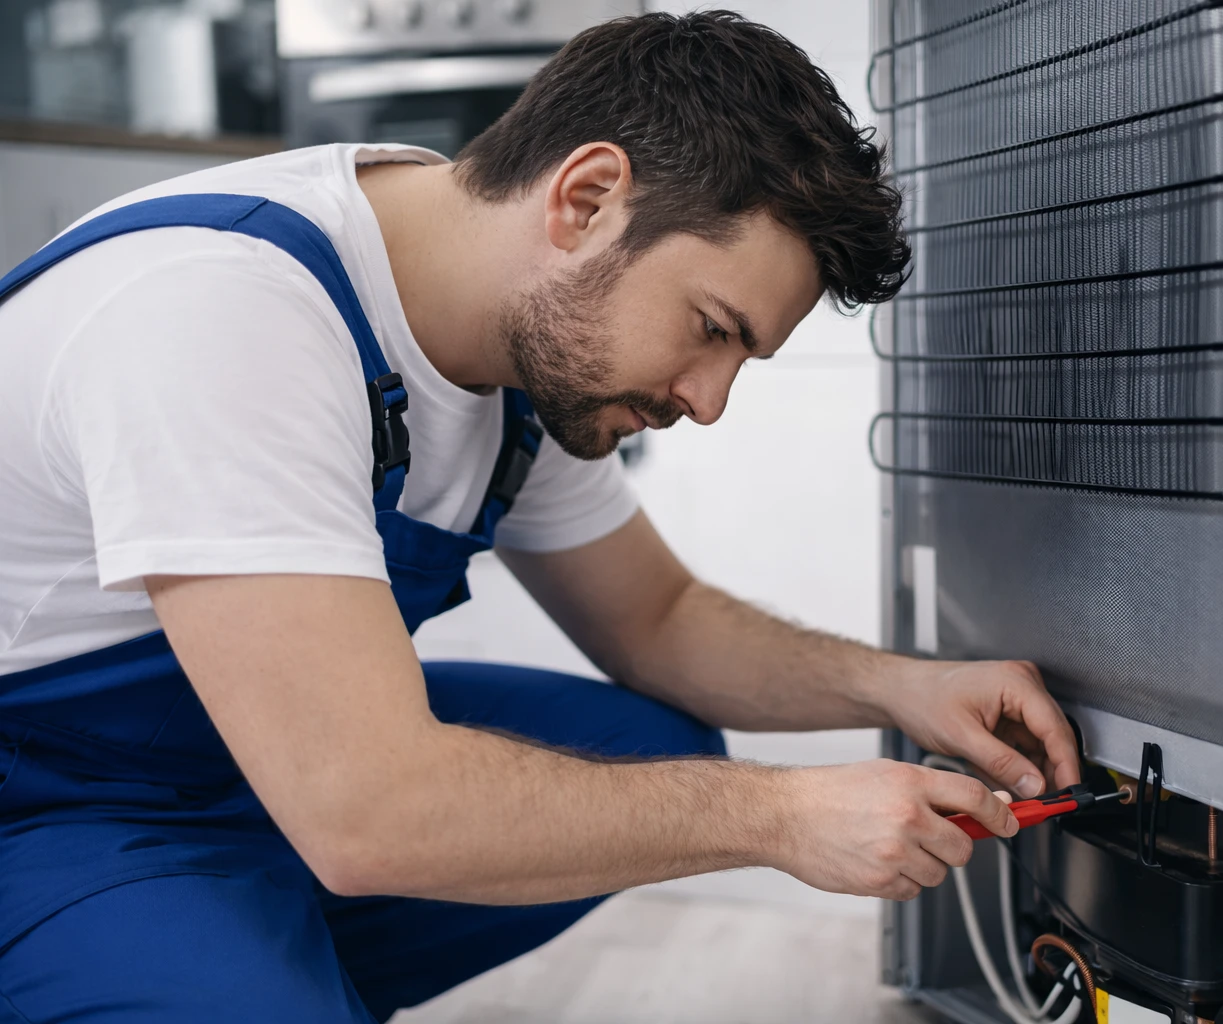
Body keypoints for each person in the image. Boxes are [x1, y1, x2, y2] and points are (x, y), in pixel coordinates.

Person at [0, 11, 1079, 1022]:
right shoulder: (225, 313)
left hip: (220, 769)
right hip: (37, 805)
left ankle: (229, 965)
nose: (707, 400)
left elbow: (659, 620)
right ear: (586, 199)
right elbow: (365, 808)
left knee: (648, 742)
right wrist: (783, 817)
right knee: (396, 844)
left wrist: (906, 686)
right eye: (710, 328)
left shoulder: (514, 355)